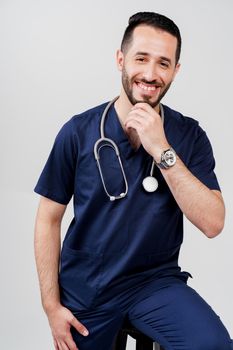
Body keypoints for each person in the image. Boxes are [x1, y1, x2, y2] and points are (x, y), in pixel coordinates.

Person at [33, 12, 233, 350]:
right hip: (88, 288)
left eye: (164, 63)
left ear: (176, 70)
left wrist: (161, 149)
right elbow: (47, 219)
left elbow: (213, 223)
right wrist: (51, 306)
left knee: (212, 344)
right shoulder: (78, 132)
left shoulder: (188, 136)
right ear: (121, 60)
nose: (151, 74)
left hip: (154, 284)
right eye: (141, 59)